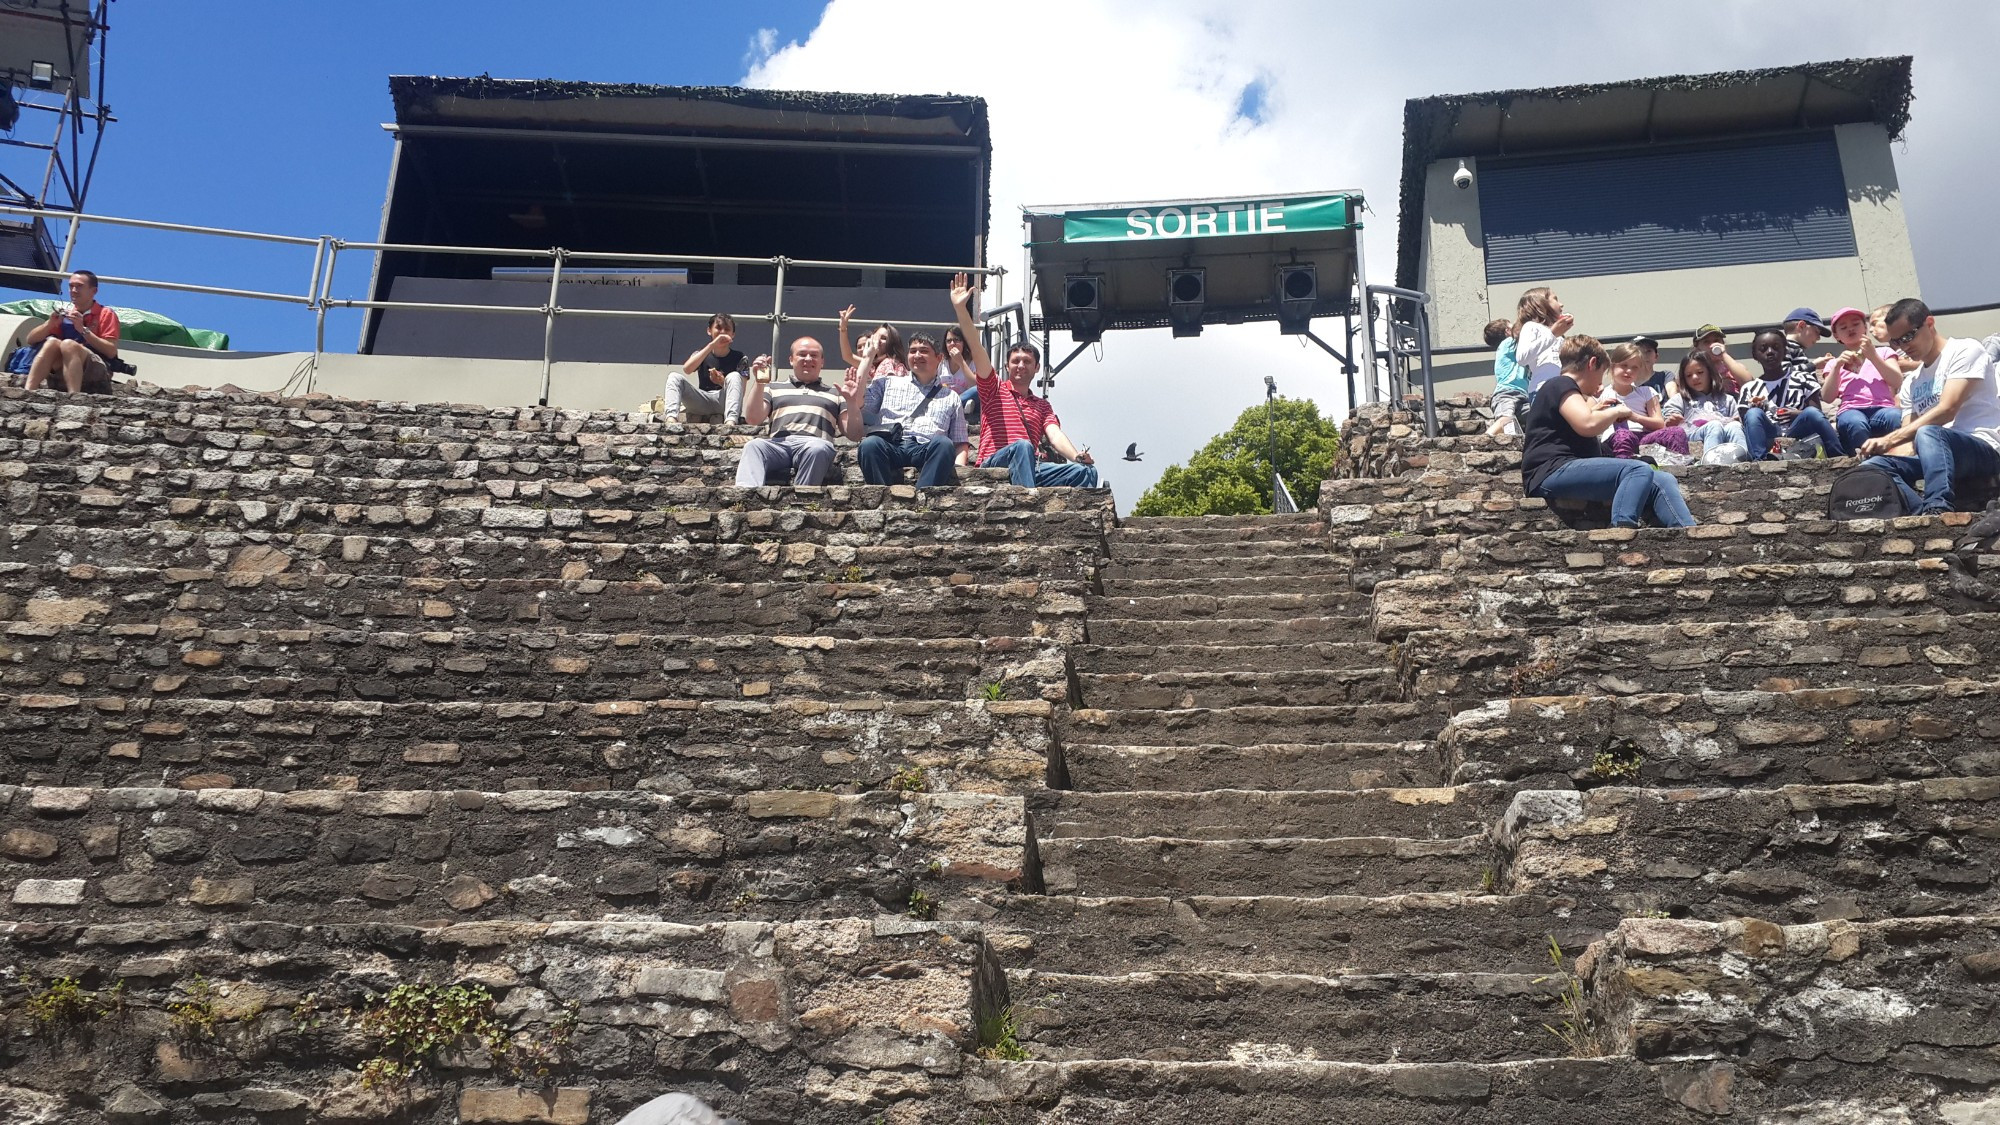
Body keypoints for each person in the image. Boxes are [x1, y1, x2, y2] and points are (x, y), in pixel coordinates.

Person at [1519, 334, 1695, 528]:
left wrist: (1598, 411)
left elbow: (1581, 422)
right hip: (1550, 470)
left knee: (1662, 478)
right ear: (1592, 363)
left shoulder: (1569, 393)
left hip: (1571, 467)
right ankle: (1622, 528)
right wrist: (1618, 411)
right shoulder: (1560, 384)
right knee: (1636, 470)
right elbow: (1587, 425)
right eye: (1602, 373)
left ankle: (1688, 531)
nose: (1600, 385)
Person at [950, 272, 1098, 488]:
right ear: (1007, 366)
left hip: (1033, 466)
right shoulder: (993, 388)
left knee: (1086, 473)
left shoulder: (1042, 405)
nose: (1020, 365)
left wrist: (1077, 456)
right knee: (1022, 446)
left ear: (1037, 368)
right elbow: (977, 347)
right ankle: (1027, 505)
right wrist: (960, 310)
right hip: (996, 463)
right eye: (1016, 361)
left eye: (1027, 361)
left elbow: (1055, 436)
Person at [1857, 297, 2000, 514]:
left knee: (1930, 432)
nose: (1904, 347)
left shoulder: (1965, 350)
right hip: (1933, 455)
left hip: (1981, 448)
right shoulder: (1911, 383)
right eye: (1896, 342)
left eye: (1908, 336)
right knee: (1873, 467)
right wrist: (1880, 450)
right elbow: (1909, 440)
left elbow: (1948, 408)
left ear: (1929, 323)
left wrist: (1888, 439)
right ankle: (1919, 516)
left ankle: (1937, 507)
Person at [734, 337, 864, 487]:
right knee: (753, 446)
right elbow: (752, 418)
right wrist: (759, 382)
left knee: (819, 448)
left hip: (815, 443)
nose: (808, 359)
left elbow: (855, 434)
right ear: (791, 359)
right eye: (802, 354)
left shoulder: (836, 392)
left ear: (822, 361)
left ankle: (801, 499)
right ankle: (746, 495)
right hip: (778, 444)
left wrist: (852, 402)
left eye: (814, 355)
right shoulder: (773, 387)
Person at [856, 329, 967, 488]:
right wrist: (867, 359)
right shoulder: (888, 382)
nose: (917, 355)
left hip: (926, 447)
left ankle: (924, 499)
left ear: (939, 358)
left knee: (944, 444)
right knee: (870, 445)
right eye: (912, 351)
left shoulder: (951, 396)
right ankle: (883, 500)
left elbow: (960, 442)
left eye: (923, 351)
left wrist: (961, 470)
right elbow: (859, 401)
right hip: (892, 444)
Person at [1741, 327, 1844, 459]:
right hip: (1770, 430)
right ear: (1755, 355)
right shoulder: (1749, 388)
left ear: (1784, 351)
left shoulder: (1803, 378)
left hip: (1798, 428)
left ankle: (1838, 455)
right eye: (1763, 349)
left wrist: (1797, 414)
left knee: (1811, 412)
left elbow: (1817, 412)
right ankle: (1760, 461)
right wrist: (1757, 408)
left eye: (1776, 347)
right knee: (1753, 413)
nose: (1770, 352)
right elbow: (1746, 421)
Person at [1820, 306, 1905, 457]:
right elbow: (1827, 397)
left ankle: (1899, 456)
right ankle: (1868, 461)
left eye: (1855, 324)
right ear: (1836, 335)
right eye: (1843, 327)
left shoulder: (1883, 352)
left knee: (1895, 417)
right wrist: (1837, 367)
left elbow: (1897, 380)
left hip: (1883, 407)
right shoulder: (1834, 363)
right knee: (1855, 423)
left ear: (1864, 327)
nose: (1850, 329)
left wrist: (1872, 356)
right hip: (1851, 409)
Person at [23, 270, 120, 395]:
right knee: (52, 342)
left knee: (68, 344)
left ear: (93, 291)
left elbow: (111, 351)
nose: (73, 290)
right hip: (64, 367)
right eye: (71, 286)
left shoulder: (106, 314)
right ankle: (29, 391)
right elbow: (30, 339)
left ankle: (74, 395)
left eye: (79, 286)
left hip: (97, 368)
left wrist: (83, 330)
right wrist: (50, 323)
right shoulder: (65, 314)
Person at [1600, 342, 1686, 460]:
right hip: (1615, 438)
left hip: (1643, 437)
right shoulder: (1602, 394)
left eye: (1634, 367)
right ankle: (1625, 467)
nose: (1629, 371)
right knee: (1623, 435)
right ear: (1612, 366)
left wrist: (1633, 416)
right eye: (1624, 365)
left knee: (1677, 432)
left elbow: (1659, 424)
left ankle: (1680, 465)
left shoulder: (1647, 392)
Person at [663, 313, 749, 423]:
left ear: (733, 335)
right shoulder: (702, 353)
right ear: (709, 331)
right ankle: (671, 420)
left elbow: (742, 391)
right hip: (701, 400)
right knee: (674, 377)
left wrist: (723, 382)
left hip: (725, 401)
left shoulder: (741, 357)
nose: (722, 332)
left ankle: (731, 422)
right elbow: (687, 369)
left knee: (734, 376)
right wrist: (712, 345)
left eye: (727, 329)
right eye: (718, 328)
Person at [1663, 351, 1749, 457]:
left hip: (1724, 436)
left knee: (1734, 426)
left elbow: (1737, 420)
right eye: (1689, 375)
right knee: (1714, 425)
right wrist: (1672, 421)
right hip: (1692, 434)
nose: (1694, 377)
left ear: (1710, 372)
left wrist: (1738, 421)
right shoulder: (1680, 399)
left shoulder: (1728, 399)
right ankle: (1711, 462)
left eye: (1700, 372)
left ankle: (1742, 459)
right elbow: (1670, 416)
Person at [1512, 287, 1572, 393]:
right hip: (1541, 389)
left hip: (1562, 389)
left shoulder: (1557, 334)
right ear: (1541, 304)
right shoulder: (1531, 327)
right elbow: (1522, 358)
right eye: (1555, 299)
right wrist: (1552, 334)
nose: (1561, 304)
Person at [1484, 318, 1530, 437]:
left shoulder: (1515, 349)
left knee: (1536, 413)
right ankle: (1485, 439)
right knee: (1506, 418)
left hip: (1523, 396)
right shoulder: (1507, 343)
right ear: (1508, 331)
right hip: (1506, 393)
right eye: (1512, 326)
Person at [837, 305, 908, 379]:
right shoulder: (871, 364)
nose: (878, 340)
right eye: (876, 336)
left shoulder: (895, 365)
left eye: (884, 338)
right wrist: (843, 329)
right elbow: (848, 356)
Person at [1689, 324, 1754, 393]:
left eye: (1716, 340)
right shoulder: (1691, 369)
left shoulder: (1733, 367)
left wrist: (1724, 355)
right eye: (1706, 342)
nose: (1712, 345)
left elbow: (1749, 384)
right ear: (1697, 348)